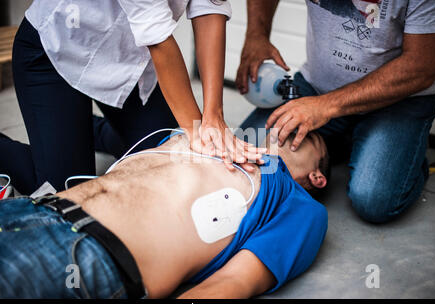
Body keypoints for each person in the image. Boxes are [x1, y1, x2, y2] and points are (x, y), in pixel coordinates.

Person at [0, 130, 329, 299]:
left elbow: (232, 284)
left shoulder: (301, 206)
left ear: (318, 176)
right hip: (29, 207)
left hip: (85, 256)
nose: (292, 128)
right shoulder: (213, 137)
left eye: (308, 135)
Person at [0, 0, 263, 195]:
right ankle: (57, 131)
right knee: (71, 193)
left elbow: (208, 7)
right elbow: (158, 37)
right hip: (55, 53)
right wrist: (196, 133)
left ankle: (78, 127)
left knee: (170, 158)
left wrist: (213, 116)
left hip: (125, 62)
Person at [236, 0, 435, 223]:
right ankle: (350, 141)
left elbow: (421, 67)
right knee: (239, 150)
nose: (278, 141)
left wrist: (325, 106)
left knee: (373, 200)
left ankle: (406, 159)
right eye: (291, 137)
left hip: (400, 98)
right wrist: (256, 35)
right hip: (318, 87)